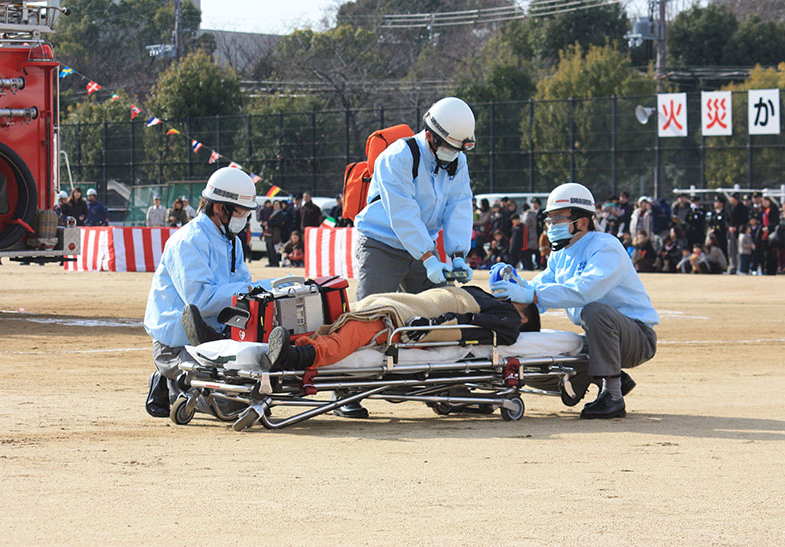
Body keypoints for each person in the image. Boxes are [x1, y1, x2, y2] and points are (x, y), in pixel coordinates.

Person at [490, 182, 658, 419]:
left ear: (583, 222)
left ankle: (613, 396)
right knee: (553, 353)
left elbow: (584, 292)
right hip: (602, 337)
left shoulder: (606, 247)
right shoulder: (560, 254)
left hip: (636, 337)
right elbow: (540, 287)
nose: (552, 225)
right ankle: (613, 378)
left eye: (559, 218)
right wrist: (515, 285)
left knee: (595, 310)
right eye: (550, 220)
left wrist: (530, 294)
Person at [143, 167, 260, 418]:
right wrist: (247, 290)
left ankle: (181, 380)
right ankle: (167, 378)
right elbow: (200, 301)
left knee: (255, 385)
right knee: (232, 404)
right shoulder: (188, 240)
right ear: (220, 208)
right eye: (241, 212)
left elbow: (243, 286)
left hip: (217, 336)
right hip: (177, 342)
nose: (244, 218)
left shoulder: (232, 241)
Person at [263, 283, 541, 374]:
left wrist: (431, 326)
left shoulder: (510, 317)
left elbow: (465, 327)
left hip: (410, 319)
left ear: (525, 317)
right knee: (347, 320)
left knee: (354, 332)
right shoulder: (496, 302)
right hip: (411, 305)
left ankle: (296, 358)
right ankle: (291, 349)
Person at [354, 97, 476, 300]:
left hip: (425, 246)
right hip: (382, 244)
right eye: (448, 147)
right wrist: (429, 258)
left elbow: (459, 206)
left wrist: (458, 256)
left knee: (441, 313)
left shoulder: (458, 161)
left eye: (458, 149)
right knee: (369, 315)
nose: (453, 154)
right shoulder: (397, 157)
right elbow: (403, 213)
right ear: (430, 136)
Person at [726, 192, 748, 274]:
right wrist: (729, 227)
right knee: (731, 250)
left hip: (739, 232)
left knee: (739, 250)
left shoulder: (742, 208)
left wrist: (736, 227)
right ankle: (732, 266)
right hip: (730, 232)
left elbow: (744, 220)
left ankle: (739, 267)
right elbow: (726, 219)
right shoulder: (728, 207)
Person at [264, 199, 285, 267]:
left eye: (277, 205)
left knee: (274, 248)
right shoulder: (271, 212)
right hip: (269, 232)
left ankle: (275, 263)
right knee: (268, 247)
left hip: (275, 233)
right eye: (275, 205)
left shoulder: (281, 213)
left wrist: (268, 223)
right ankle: (270, 262)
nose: (276, 206)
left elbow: (278, 223)